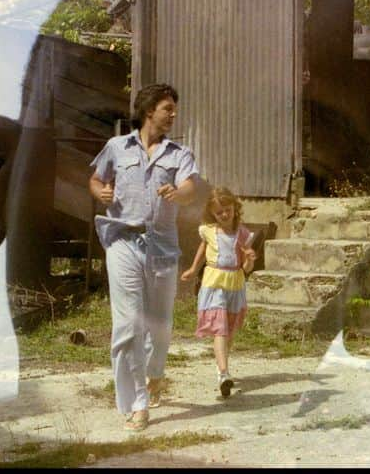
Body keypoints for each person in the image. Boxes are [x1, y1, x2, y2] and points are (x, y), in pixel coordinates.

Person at [89, 83, 199, 431]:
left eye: (174, 109)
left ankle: (153, 374)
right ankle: (138, 403)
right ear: (150, 110)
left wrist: (177, 194)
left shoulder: (179, 154)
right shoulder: (116, 147)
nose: (173, 114)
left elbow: (190, 188)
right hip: (122, 239)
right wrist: (102, 191)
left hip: (162, 248)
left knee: (160, 327)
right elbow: (95, 178)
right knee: (128, 323)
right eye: (168, 108)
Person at [179, 186, 256, 397]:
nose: (224, 215)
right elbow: (202, 250)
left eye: (227, 210)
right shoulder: (209, 231)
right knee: (220, 327)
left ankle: (222, 364)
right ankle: (224, 372)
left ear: (234, 208)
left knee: (229, 330)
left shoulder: (242, 234)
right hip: (213, 282)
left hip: (235, 283)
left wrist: (249, 260)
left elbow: (246, 269)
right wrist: (194, 269)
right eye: (219, 212)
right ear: (212, 213)